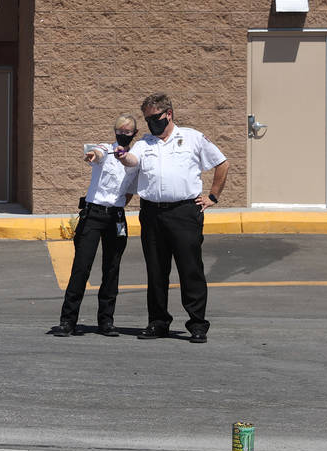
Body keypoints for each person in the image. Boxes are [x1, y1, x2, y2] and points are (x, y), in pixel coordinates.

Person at [114, 92, 228, 343]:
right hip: (152, 213)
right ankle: (158, 322)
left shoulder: (192, 138)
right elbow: (132, 161)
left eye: (155, 117)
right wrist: (123, 155)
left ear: (169, 114)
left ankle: (197, 324)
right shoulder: (145, 143)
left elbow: (221, 163)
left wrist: (213, 196)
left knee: (190, 269)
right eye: (147, 119)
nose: (151, 123)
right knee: (156, 270)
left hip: (184, 212)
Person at [52, 114, 139, 337]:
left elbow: (130, 191)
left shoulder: (134, 160)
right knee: (81, 267)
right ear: (114, 132)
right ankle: (67, 321)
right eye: (119, 130)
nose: (123, 134)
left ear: (134, 134)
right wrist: (92, 154)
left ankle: (106, 321)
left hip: (116, 217)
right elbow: (96, 153)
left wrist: (117, 206)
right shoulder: (105, 150)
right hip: (94, 214)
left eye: (128, 131)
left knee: (112, 269)